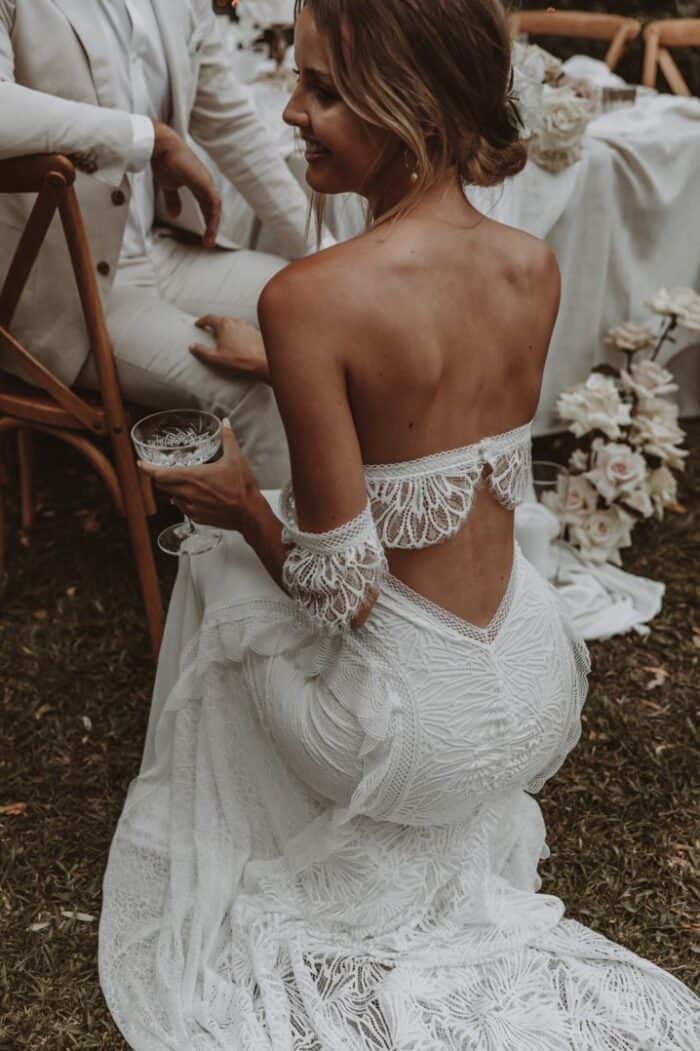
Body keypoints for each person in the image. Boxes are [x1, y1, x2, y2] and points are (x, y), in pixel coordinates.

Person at [99, 0, 700, 1046]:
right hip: (532, 694)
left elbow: (339, 594)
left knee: (216, 562)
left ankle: (281, 836)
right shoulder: (531, 263)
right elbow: (438, 396)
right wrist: (285, 358)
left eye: (323, 89)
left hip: (403, 743)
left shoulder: (309, 299)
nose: (290, 109)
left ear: (408, 101)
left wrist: (238, 503)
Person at [0, 0, 330, 486]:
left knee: (323, 310)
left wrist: (328, 254)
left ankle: (357, 525)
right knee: (255, 394)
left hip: (162, 250)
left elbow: (232, 126)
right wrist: (145, 138)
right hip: (62, 289)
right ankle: (275, 555)